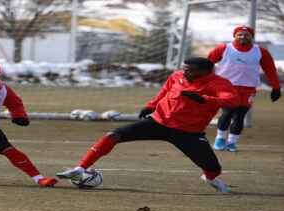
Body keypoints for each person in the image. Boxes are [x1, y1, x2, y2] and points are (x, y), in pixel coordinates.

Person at [56, 57, 239, 193]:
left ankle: (210, 179)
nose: (184, 72)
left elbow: (232, 100)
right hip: (158, 121)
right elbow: (164, 92)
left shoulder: (218, 83)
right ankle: (80, 169)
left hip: (188, 132)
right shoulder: (177, 77)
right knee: (113, 135)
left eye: (189, 70)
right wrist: (151, 106)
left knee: (213, 168)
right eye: (184, 68)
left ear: (204, 72)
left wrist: (204, 99)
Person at [208, 25, 281, 152]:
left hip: (248, 89)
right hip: (227, 87)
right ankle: (220, 139)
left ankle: (232, 142)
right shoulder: (224, 48)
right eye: (239, 34)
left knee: (240, 116)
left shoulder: (261, 52)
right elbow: (207, 63)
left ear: (251, 37)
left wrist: (276, 88)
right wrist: (205, 82)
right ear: (234, 36)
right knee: (227, 113)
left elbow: (270, 70)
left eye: (246, 35)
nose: (243, 37)